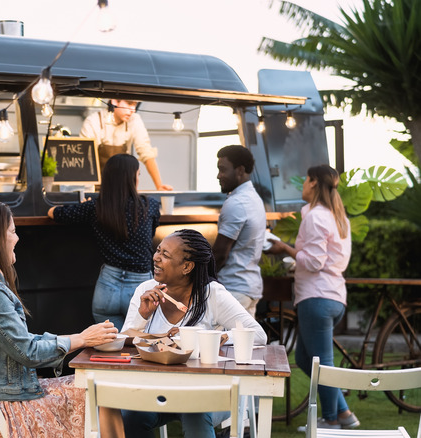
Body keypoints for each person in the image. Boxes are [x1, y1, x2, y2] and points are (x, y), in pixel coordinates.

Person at [0, 200, 123, 437]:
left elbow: (19, 342)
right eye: (13, 231)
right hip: (8, 409)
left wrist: (81, 337)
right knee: (103, 392)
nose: (17, 238)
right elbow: (27, 352)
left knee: (97, 388)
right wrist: (82, 339)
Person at [121, 229, 267, 438]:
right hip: (158, 389)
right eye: (158, 251)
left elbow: (259, 335)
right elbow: (124, 337)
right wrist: (143, 316)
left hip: (209, 391)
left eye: (165, 255)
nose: (156, 257)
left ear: (187, 266)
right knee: (130, 414)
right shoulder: (146, 289)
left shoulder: (212, 294)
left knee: (194, 410)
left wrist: (218, 337)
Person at [266, 165, 360, 430]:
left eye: (305, 180)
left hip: (317, 297)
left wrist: (285, 249)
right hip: (332, 295)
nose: (302, 185)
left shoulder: (317, 217)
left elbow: (316, 262)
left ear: (314, 183)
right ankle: (342, 413)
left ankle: (331, 419)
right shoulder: (336, 216)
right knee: (305, 360)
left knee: (322, 363)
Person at [48, 154, 160, 329]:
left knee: (112, 346)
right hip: (141, 288)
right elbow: (149, 236)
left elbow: (54, 213)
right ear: (132, 177)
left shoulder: (95, 207)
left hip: (108, 286)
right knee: (140, 346)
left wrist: (85, 205)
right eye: (138, 174)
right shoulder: (149, 205)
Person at [212, 145, 266, 317]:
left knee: (219, 344)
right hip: (248, 288)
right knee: (242, 344)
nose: (219, 175)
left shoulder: (237, 203)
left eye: (223, 170)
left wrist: (197, 281)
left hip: (233, 289)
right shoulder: (254, 198)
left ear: (240, 170)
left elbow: (220, 253)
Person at [80, 99, 173, 191]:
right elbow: (87, 160)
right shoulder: (93, 121)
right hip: (97, 188)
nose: (133, 110)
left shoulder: (134, 120)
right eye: (129, 104)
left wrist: (159, 186)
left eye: (135, 104)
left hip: (123, 189)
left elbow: (146, 153)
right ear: (114, 101)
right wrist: (89, 192)